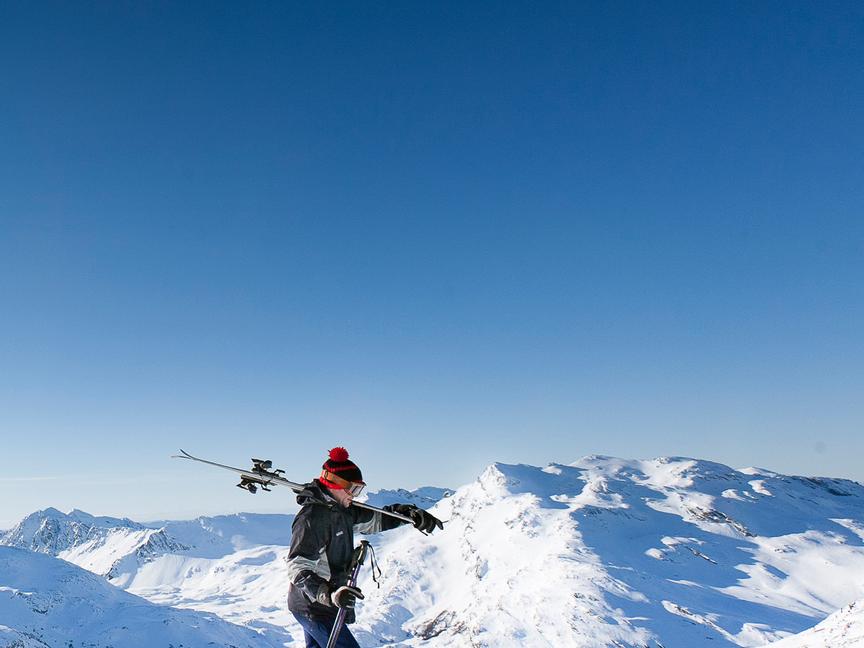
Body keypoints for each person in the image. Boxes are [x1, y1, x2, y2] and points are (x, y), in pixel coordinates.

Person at [286, 447, 444, 648]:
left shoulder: (343, 511)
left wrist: (408, 515)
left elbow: (376, 520)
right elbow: (297, 566)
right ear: (334, 484)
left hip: (330, 602)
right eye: (352, 489)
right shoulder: (312, 518)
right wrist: (330, 593)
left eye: (358, 490)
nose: (355, 495)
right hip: (313, 605)